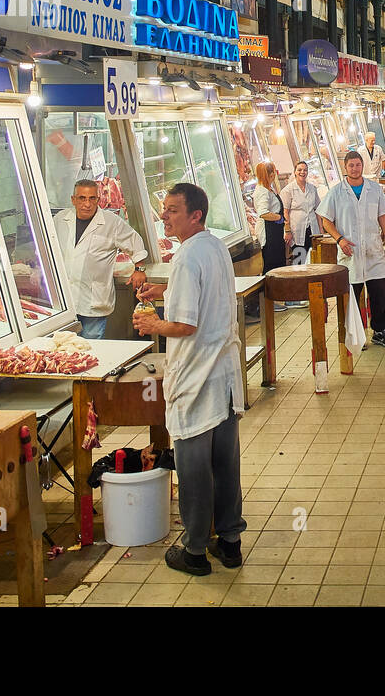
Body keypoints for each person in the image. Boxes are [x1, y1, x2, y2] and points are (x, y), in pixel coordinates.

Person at [133, 183, 244, 577]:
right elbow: (204, 293)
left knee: (194, 469)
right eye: (164, 209)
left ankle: (195, 550)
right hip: (224, 377)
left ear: (195, 214)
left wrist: (152, 322)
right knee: (225, 464)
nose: (165, 216)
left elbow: (184, 323)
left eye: (173, 210)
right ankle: (230, 543)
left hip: (196, 378)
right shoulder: (212, 247)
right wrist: (164, 290)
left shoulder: (185, 257)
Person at [318, 150, 385, 348]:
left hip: (373, 250)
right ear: (345, 168)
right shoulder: (336, 192)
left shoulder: (374, 189)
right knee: (351, 294)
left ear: (363, 166)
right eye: (351, 165)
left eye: (358, 165)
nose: (355, 168)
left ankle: (379, 330)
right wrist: (340, 239)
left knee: (379, 291)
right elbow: (326, 219)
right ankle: (354, 333)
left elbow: (382, 217)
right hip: (350, 252)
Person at [53, 179, 148, 339]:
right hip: (65, 301)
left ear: (98, 199)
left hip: (94, 301)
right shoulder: (60, 219)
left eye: (92, 199)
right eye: (82, 198)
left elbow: (135, 242)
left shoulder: (111, 222)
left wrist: (139, 269)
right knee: (64, 350)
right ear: (73, 199)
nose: (87, 204)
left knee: (92, 349)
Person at [253, 162, 290, 310]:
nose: (274, 175)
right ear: (269, 175)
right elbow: (263, 212)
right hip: (269, 233)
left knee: (279, 264)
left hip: (275, 232)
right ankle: (270, 300)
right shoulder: (262, 191)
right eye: (272, 173)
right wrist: (278, 218)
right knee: (271, 266)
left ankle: (281, 297)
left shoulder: (269, 189)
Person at [282, 160, 321, 267]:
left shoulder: (312, 188)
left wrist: (321, 231)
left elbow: (318, 210)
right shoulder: (288, 190)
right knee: (300, 261)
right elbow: (285, 212)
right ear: (294, 172)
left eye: (305, 170)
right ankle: (300, 283)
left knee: (314, 261)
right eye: (299, 170)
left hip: (313, 229)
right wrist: (287, 230)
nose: (302, 172)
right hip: (297, 231)